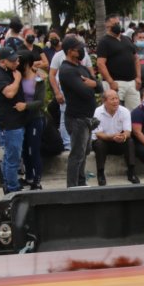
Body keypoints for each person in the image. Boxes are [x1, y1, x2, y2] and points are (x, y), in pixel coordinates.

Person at [57, 35, 99, 187]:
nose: (82, 51)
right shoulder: (67, 70)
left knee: (84, 152)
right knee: (77, 155)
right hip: (76, 119)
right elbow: (86, 92)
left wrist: (93, 84)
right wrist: (93, 85)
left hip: (87, 118)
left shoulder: (80, 67)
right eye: (78, 48)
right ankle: (73, 187)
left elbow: (98, 86)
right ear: (70, 51)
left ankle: (81, 182)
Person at [0, 47, 29, 193]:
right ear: (3, 61)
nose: (16, 63)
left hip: (16, 121)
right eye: (13, 61)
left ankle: (8, 183)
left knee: (10, 156)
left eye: (17, 59)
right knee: (13, 158)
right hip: (9, 123)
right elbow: (10, 93)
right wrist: (17, 79)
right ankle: (12, 188)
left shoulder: (10, 71)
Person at [50, 32, 94, 152]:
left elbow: (91, 72)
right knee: (65, 118)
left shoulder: (84, 56)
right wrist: (57, 92)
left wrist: (93, 84)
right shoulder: (58, 56)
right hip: (66, 92)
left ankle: (84, 144)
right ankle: (67, 144)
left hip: (83, 93)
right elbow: (52, 75)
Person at [90, 89, 138, 185]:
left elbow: (128, 131)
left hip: (119, 141)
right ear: (104, 101)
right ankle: (100, 173)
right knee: (99, 144)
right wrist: (112, 137)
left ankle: (131, 172)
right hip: (104, 141)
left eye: (117, 98)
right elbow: (98, 133)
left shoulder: (124, 111)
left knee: (130, 141)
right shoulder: (98, 111)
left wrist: (123, 137)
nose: (116, 101)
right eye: (112, 99)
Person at [18, 49, 50, 190]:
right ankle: (28, 176)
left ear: (27, 63)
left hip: (35, 118)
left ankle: (37, 179)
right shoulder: (16, 77)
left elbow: (40, 102)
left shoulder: (39, 78)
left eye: (20, 62)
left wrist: (25, 106)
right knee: (24, 150)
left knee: (34, 149)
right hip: (20, 119)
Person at [96, 15, 142, 111]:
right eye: (115, 24)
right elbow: (100, 64)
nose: (117, 25)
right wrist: (111, 82)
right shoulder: (104, 42)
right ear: (107, 25)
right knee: (114, 111)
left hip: (131, 82)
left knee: (136, 112)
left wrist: (138, 77)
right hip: (115, 83)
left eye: (118, 23)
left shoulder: (127, 39)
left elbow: (136, 58)